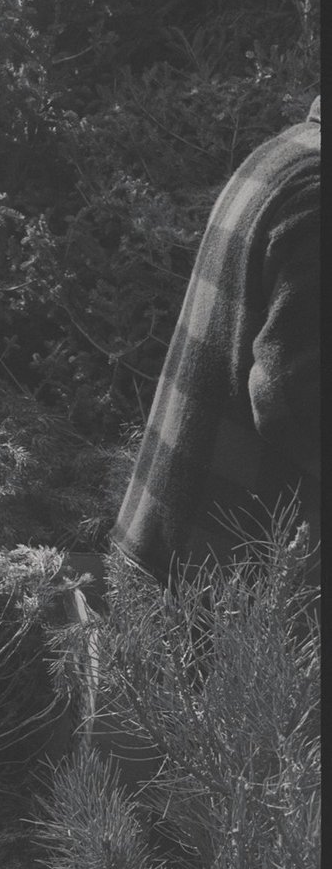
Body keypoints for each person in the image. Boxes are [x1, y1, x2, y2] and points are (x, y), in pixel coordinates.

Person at [112, 96, 320, 590]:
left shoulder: (285, 152)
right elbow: (294, 396)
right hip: (225, 579)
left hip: (169, 543)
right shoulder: (318, 195)